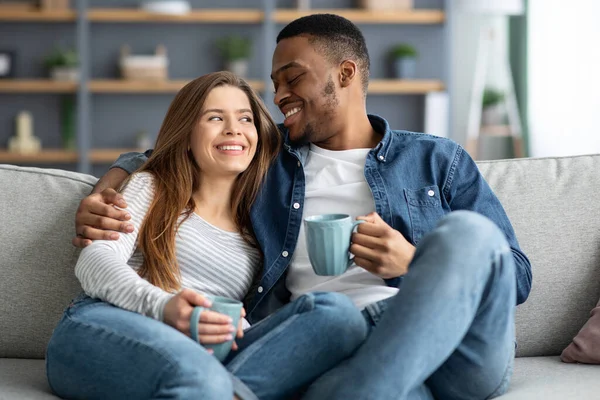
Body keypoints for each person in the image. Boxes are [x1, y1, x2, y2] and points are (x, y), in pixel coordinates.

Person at [73, 14, 532, 400]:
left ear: (346, 74)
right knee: (349, 336)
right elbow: (185, 150)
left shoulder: (437, 159)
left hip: (456, 347)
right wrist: (111, 183)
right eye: (274, 85)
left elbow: (516, 274)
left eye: (293, 78)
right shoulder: (271, 157)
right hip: (340, 345)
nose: (278, 96)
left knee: (469, 234)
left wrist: (413, 263)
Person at [46, 71, 368, 400]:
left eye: (245, 119)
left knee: (339, 316)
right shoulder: (155, 187)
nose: (233, 129)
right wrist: (163, 306)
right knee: (201, 376)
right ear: (186, 135)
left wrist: (236, 329)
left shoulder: (262, 221)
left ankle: (228, 392)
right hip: (111, 324)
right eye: (215, 117)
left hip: (207, 351)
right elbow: (93, 261)